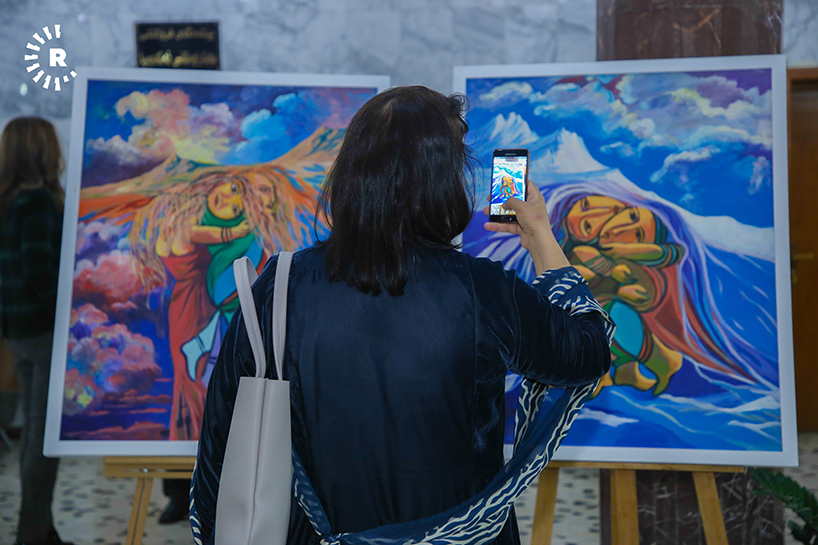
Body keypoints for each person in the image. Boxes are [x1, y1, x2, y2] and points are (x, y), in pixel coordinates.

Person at [191, 86, 612, 545]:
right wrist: (541, 238)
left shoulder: (281, 285)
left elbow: (221, 439)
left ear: (350, 172)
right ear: (444, 180)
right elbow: (587, 352)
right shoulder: (484, 290)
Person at [0, 117, 72, 545]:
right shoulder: (38, 204)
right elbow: (39, 269)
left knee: (34, 432)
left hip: (16, 331)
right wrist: (69, 313)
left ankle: (41, 529)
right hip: (43, 332)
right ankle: (32, 534)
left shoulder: (7, 201)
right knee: (45, 438)